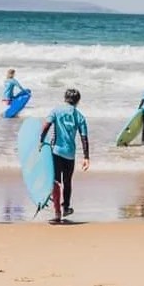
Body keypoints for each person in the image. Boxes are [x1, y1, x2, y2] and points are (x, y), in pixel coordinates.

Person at [39, 88, 90, 224]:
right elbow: (84, 137)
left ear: (64, 98)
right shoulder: (80, 116)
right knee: (67, 181)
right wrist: (86, 157)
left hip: (56, 151)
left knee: (56, 182)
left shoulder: (56, 111)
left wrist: (40, 141)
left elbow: (46, 126)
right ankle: (66, 207)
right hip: (70, 154)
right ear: (78, 101)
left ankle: (57, 213)